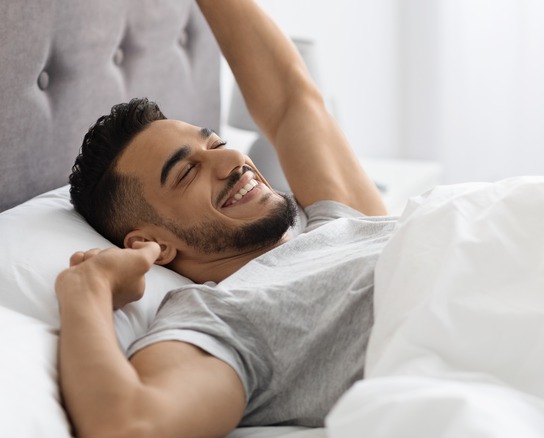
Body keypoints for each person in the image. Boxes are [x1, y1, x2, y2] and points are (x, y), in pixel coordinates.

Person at [55, 0, 390, 436]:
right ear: (148, 243)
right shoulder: (221, 317)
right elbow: (129, 425)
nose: (233, 159)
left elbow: (291, 99)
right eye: (187, 171)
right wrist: (88, 288)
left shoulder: (333, 220)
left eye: (215, 143)